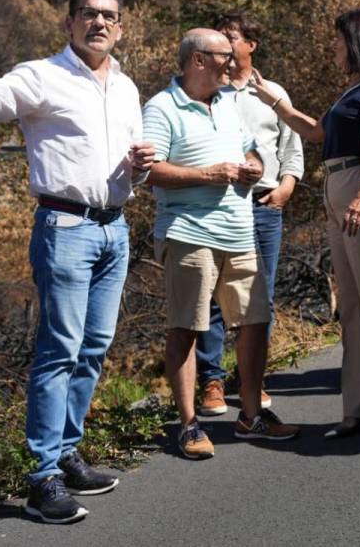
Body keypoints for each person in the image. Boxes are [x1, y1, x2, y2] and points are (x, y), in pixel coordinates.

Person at [0, 0, 154, 524]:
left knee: (93, 347)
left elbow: (130, 159)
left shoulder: (127, 88)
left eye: (108, 15)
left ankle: (68, 453)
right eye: (88, 13)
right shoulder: (42, 75)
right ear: (68, 24)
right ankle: (42, 475)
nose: (99, 22)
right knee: (59, 350)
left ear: (121, 26)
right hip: (65, 227)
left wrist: (137, 165)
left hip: (115, 229)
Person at [251, 8, 360, 449]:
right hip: (337, 187)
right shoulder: (353, 88)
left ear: (359, 41)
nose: (335, 48)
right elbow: (319, 132)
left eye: (340, 41)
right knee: (354, 307)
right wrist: (276, 102)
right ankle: (359, 408)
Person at [142, 28, 300, 460]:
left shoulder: (229, 103)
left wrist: (252, 166)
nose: (231, 63)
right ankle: (190, 425)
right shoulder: (160, 107)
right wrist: (208, 175)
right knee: (187, 326)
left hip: (239, 228)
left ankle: (250, 416)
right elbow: (149, 171)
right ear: (197, 60)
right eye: (223, 56)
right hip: (188, 233)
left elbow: (253, 152)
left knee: (254, 320)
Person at [195, 14, 304, 417]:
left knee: (261, 298)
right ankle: (212, 381)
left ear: (250, 45)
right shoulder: (208, 92)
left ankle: (253, 380)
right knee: (213, 297)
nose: (224, 43)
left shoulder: (271, 92)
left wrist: (286, 187)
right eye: (219, 38)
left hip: (262, 207)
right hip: (217, 204)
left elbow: (293, 147)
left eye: (232, 37)